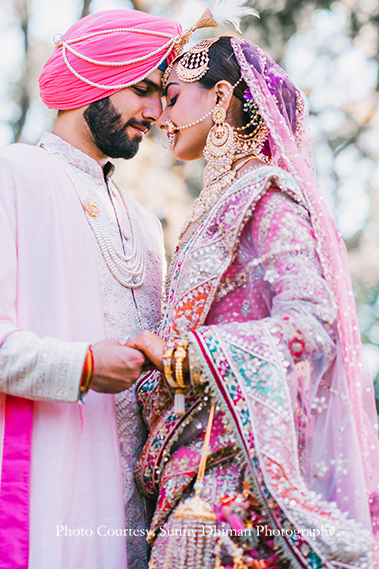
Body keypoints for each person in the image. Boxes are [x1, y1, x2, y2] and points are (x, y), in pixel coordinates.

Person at [0, 8, 187, 569]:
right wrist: (81, 366)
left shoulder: (144, 225)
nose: (155, 112)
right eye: (142, 90)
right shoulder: (8, 175)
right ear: (92, 77)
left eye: (162, 96)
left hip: (142, 511)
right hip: (49, 485)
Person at [128, 32, 379, 568]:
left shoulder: (266, 196)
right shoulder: (210, 208)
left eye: (172, 97)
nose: (161, 116)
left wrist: (187, 357)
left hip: (232, 489)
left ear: (220, 98)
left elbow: (312, 321)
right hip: (182, 476)